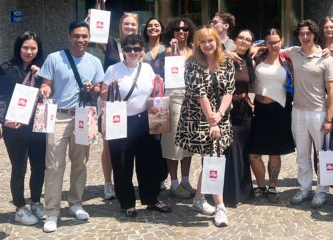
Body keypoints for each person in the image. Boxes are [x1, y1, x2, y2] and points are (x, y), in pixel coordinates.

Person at [38, 21, 104, 233]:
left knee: (80, 163)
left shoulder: (94, 61)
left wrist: (92, 88)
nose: (80, 40)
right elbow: (46, 83)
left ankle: (75, 203)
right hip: (58, 115)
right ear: (69, 37)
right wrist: (45, 89)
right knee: (54, 165)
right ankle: (51, 211)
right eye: (76, 36)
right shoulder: (54, 58)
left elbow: (98, 88)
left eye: (84, 36)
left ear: (89, 37)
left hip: (84, 115)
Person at [100, 34, 171, 216]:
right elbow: (102, 95)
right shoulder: (113, 69)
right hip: (121, 121)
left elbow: (154, 90)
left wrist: (159, 83)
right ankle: (127, 202)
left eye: (137, 49)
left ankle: (151, 199)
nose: (133, 52)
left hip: (144, 121)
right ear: (123, 51)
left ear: (142, 51)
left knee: (148, 162)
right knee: (123, 164)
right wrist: (110, 89)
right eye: (129, 49)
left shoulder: (146, 68)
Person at [175, 27, 235, 227]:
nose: (207, 44)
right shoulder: (192, 64)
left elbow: (229, 91)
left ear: (217, 41)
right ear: (198, 45)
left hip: (220, 115)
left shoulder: (226, 62)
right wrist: (212, 120)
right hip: (198, 117)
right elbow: (200, 93)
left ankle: (199, 199)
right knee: (212, 158)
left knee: (212, 158)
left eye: (211, 40)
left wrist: (219, 115)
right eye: (203, 41)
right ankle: (220, 206)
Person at [0, 32, 46, 225]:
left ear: (38, 49)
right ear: (19, 47)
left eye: (33, 48)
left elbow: (50, 92)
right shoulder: (7, 68)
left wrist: (41, 78)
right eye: (25, 47)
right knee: (19, 167)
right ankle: (20, 207)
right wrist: (3, 119)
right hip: (14, 125)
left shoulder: (43, 70)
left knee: (39, 166)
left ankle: (36, 202)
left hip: (37, 124)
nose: (29, 51)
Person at [285, 19, 333, 209]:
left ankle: (322, 190)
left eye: (308, 33)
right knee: (302, 154)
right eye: (301, 34)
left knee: (322, 154)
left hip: (319, 112)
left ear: (315, 35)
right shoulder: (294, 52)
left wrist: (329, 118)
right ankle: (304, 188)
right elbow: (271, 48)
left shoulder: (326, 58)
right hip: (298, 111)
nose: (305, 37)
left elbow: (331, 90)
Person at [249, 28, 295, 203]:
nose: (273, 45)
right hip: (260, 110)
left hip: (280, 110)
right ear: (265, 43)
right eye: (270, 42)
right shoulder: (258, 57)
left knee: (275, 153)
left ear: (281, 41)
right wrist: (254, 49)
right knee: (254, 153)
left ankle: (273, 186)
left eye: (276, 41)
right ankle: (261, 186)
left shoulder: (288, 61)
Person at [101, 12, 140, 200]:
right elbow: (94, 30)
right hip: (112, 103)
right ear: (120, 25)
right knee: (109, 145)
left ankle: (130, 182)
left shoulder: (141, 44)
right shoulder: (110, 43)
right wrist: (99, 4)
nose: (130, 27)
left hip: (135, 108)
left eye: (133, 24)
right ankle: (109, 183)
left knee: (132, 147)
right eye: (126, 23)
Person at [162, 17, 196, 199]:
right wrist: (174, 49)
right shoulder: (169, 50)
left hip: (191, 97)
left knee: (188, 141)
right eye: (177, 29)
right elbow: (171, 70)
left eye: (184, 29)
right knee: (173, 139)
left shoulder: (194, 50)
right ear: (172, 32)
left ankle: (185, 180)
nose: (181, 32)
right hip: (174, 95)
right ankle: (174, 183)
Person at [223, 29, 256, 207]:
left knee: (244, 151)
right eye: (241, 38)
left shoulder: (250, 60)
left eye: (248, 39)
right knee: (232, 151)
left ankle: (245, 191)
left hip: (244, 110)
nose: (244, 41)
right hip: (229, 110)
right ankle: (231, 194)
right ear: (235, 39)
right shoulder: (225, 57)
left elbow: (274, 46)